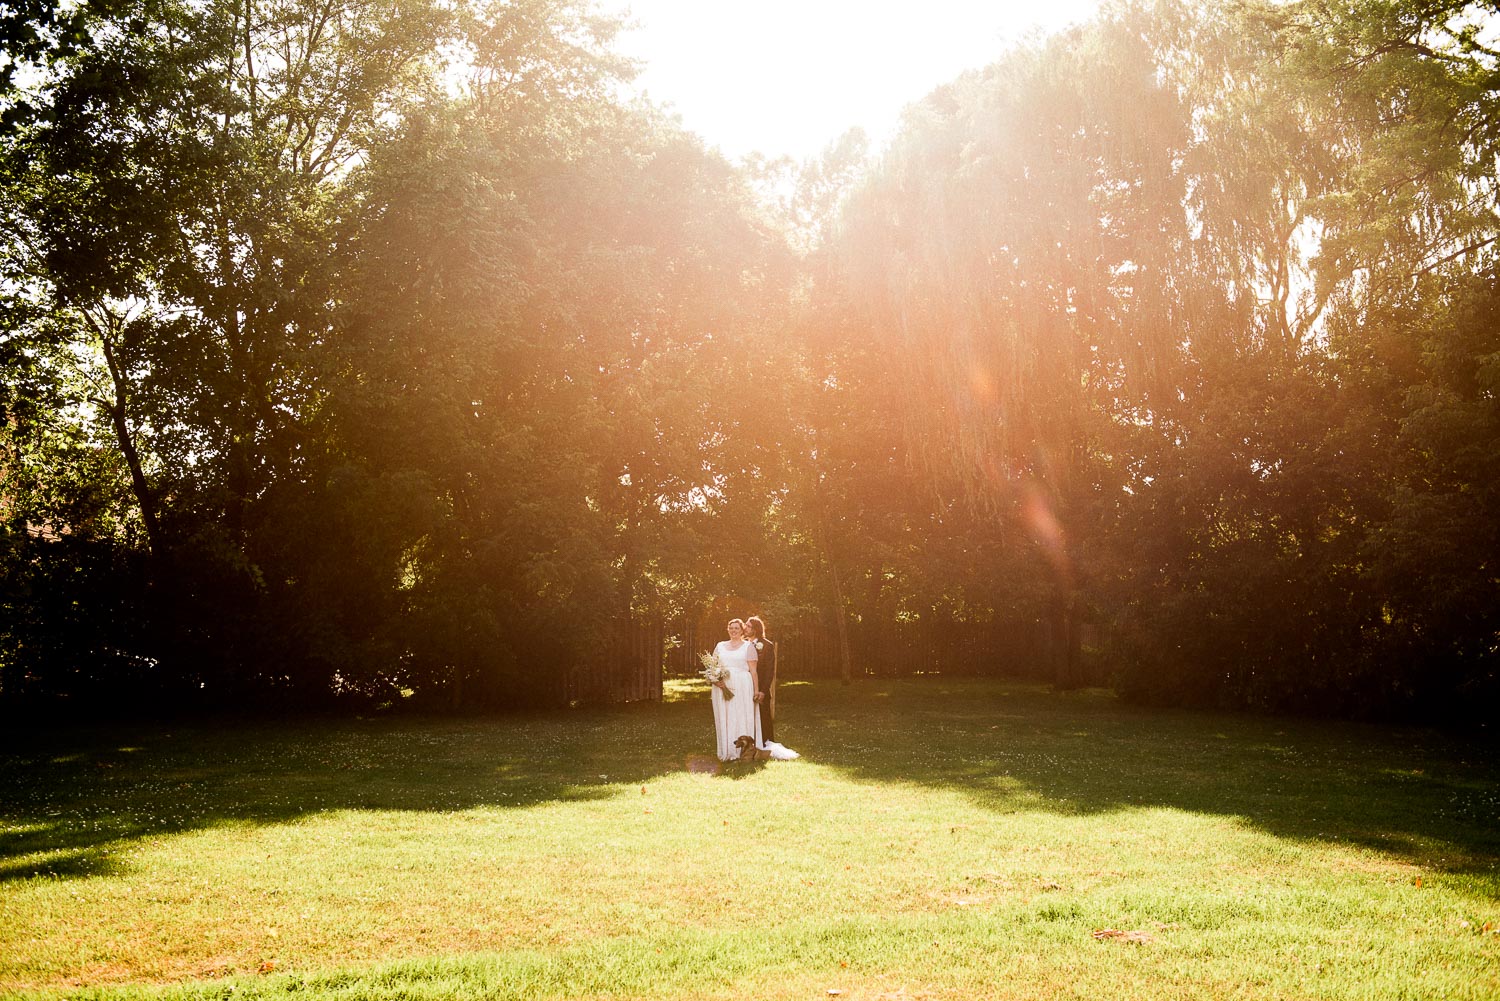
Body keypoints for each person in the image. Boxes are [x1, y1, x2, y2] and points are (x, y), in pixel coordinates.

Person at [710, 618, 762, 761]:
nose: (734, 630)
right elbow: (713, 667)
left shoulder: (748, 647)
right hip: (723, 686)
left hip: (742, 686)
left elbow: (753, 671)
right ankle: (727, 749)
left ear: (742, 630)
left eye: (737, 628)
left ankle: (744, 751)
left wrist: (756, 690)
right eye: (731, 628)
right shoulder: (720, 646)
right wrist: (716, 680)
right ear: (728, 629)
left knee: (740, 715)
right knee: (725, 715)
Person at [746, 616, 778, 742]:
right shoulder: (744, 645)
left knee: (764, 718)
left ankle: (767, 743)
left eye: (748, 626)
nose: (745, 628)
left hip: (761, 689)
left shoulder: (767, 645)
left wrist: (763, 691)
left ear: (756, 629)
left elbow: (769, 671)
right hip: (746, 686)